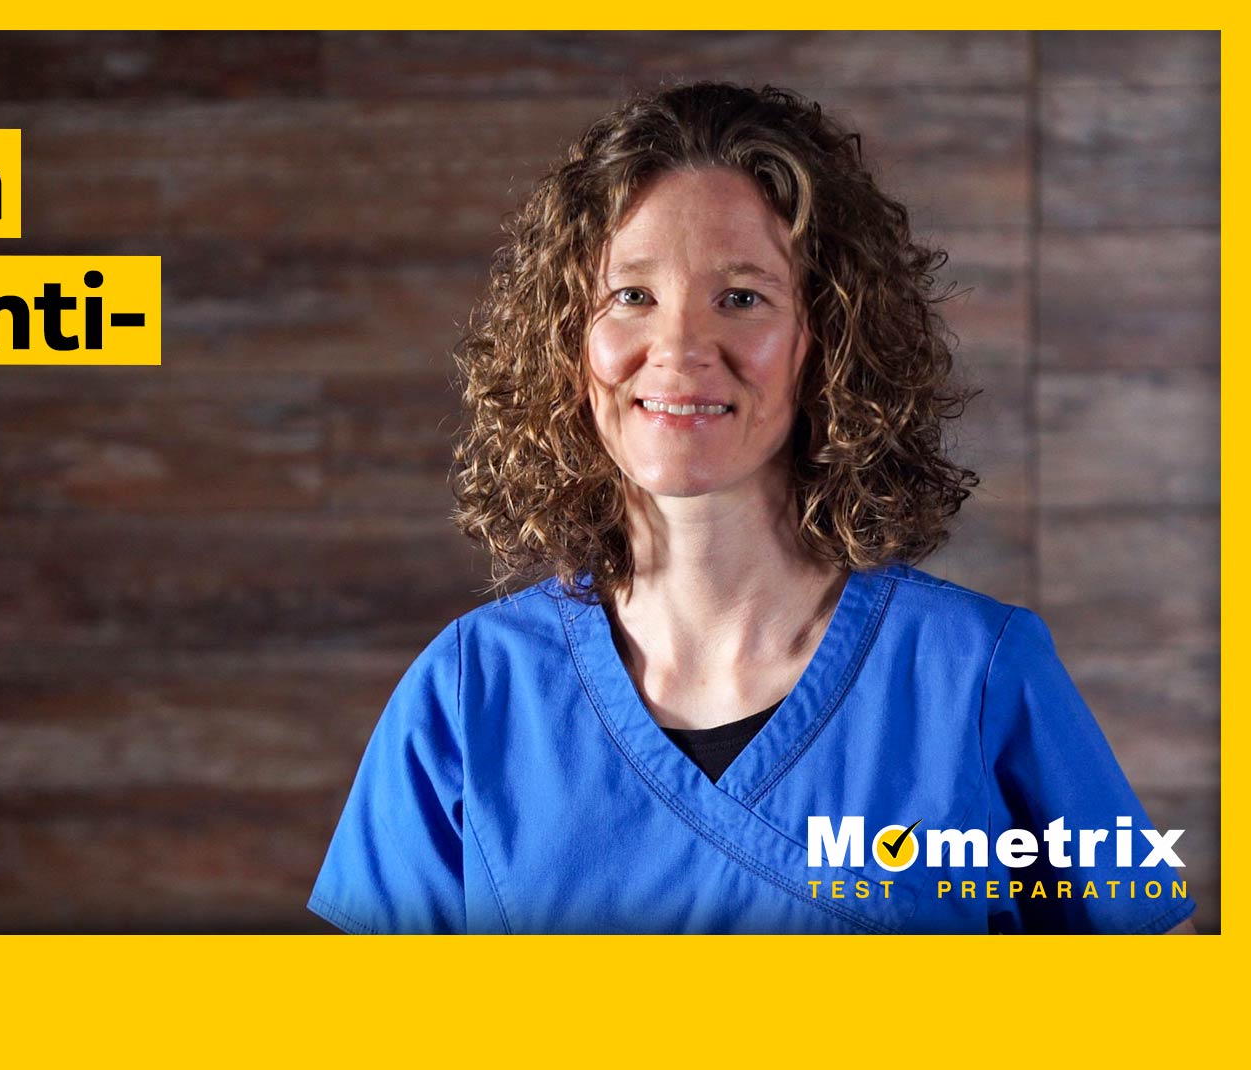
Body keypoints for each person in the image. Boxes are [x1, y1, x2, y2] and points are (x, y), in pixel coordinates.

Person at [308, 82, 1196, 934]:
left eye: (741, 298)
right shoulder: (470, 692)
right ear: (566, 341)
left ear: (830, 340)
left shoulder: (977, 675)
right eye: (631, 296)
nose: (682, 349)